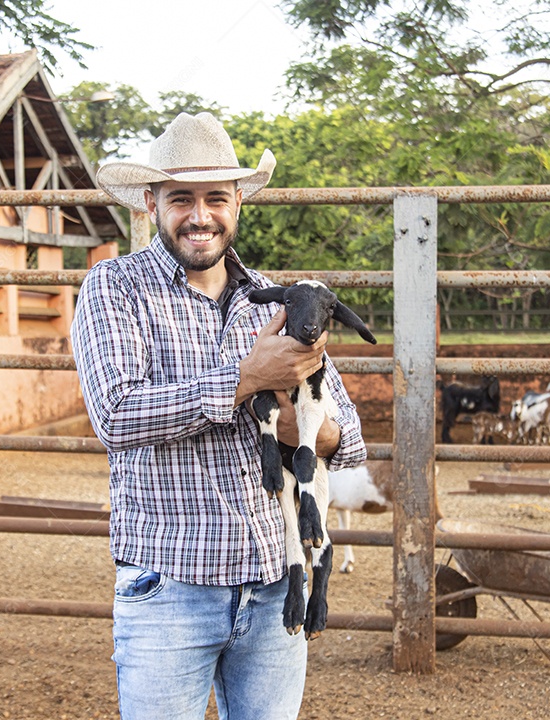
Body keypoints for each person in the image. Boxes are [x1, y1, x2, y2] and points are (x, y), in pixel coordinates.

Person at [70, 112, 367, 720]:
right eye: (181, 198)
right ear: (151, 203)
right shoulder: (115, 288)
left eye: (215, 197)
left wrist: (304, 429)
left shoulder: (282, 299)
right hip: (169, 585)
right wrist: (245, 382)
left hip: (274, 585)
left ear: (238, 204)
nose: (199, 215)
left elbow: (350, 439)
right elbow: (117, 416)